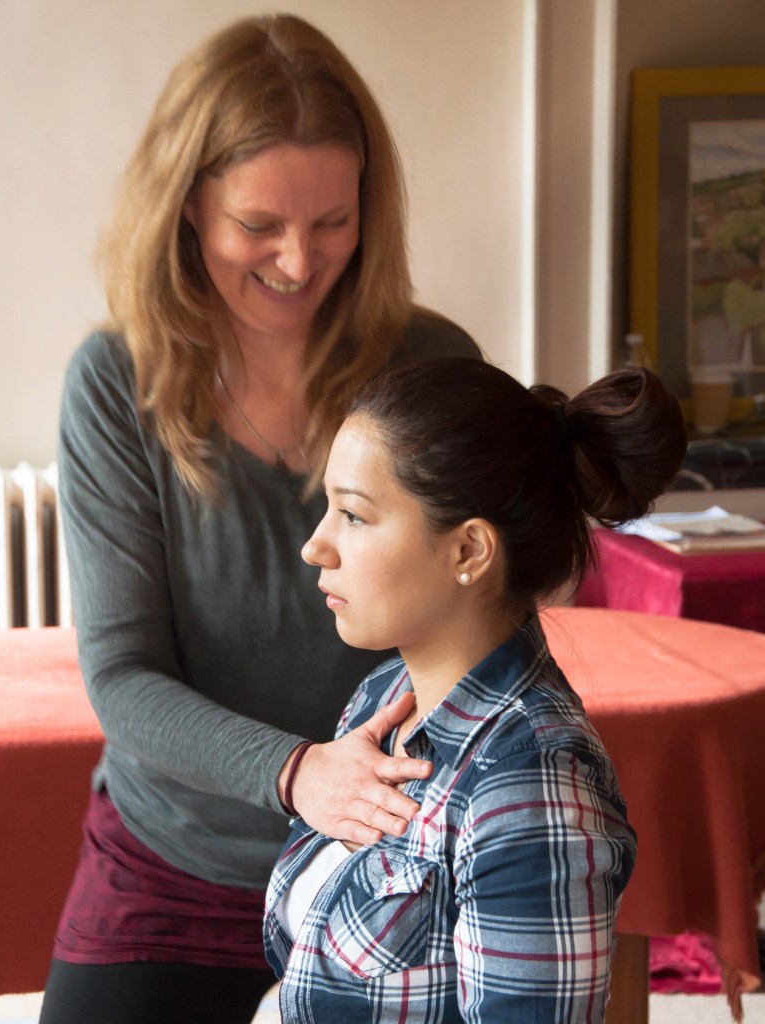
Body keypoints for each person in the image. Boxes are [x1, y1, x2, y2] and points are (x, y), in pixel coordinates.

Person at [39, 15, 479, 1024]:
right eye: (259, 225)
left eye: (332, 220)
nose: (297, 258)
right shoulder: (115, 384)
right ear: (188, 206)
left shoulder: (428, 363)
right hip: (175, 851)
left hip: (389, 843)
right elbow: (122, 679)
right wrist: (295, 773)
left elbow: (483, 617)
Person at [264, 357, 687, 1022]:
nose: (315, 547)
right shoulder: (383, 699)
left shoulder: (528, 786)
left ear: (467, 552)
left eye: (352, 515)